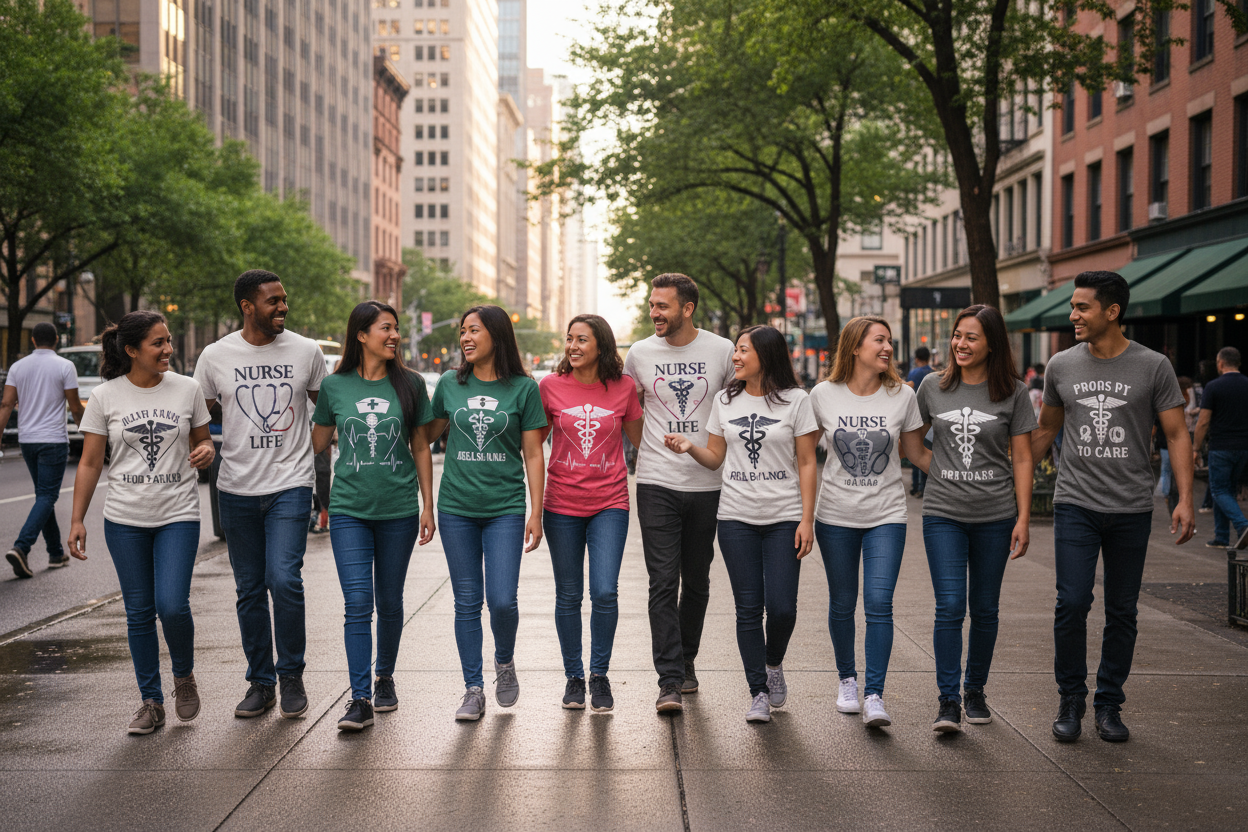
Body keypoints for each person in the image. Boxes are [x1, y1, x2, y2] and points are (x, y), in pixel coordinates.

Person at [1032, 270, 1194, 745]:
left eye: (1082, 307)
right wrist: (1007, 476)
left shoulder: (1153, 366)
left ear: (1112, 311)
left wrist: (1184, 498)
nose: (1073, 315)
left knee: (1122, 609)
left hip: (1130, 507)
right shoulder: (1061, 364)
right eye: (1073, 306)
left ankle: (1109, 704)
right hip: (1076, 503)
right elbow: (1045, 431)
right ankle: (1070, 698)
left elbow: (1177, 433)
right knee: (1073, 602)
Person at [66, 312, 214, 734]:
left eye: (168, 341)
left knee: (172, 605)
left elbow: (202, 441)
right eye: (158, 343)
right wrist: (77, 519)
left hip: (177, 515)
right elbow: (91, 461)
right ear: (131, 350)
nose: (168, 349)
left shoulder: (187, 389)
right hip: (125, 519)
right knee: (138, 613)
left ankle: (183, 677)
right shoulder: (106, 396)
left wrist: (206, 453)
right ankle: (151, 702)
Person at [665, 325, 819, 724]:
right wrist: (690, 447)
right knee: (748, 608)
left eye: (743, 350)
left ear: (766, 355)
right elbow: (716, 457)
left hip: (784, 517)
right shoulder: (724, 400)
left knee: (782, 608)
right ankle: (758, 692)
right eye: (734, 350)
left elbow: (806, 462)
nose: (735, 357)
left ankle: (772, 663)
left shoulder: (796, 401)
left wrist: (807, 518)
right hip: (735, 517)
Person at [194, 269, 327, 721]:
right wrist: (204, 443)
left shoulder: (307, 351)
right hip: (235, 488)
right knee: (249, 589)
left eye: (284, 299)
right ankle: (261, 682)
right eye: (274, 301)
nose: (283, 307)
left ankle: (291, 675)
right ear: (248, 306)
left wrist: (316, 457)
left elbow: (325, 411)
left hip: (290, 485)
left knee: (284, 579)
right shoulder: (215, 355)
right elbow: (198, 414)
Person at [311, 301, 436, 731]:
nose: (395, 335)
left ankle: (385, 676)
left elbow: (421, 446)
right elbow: (317, 443)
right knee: (358, 603)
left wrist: (428, 505)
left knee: (389, 600)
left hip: (398, 509)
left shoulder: (411, 384)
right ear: (361, 335)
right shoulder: (334, 387)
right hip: (349, 509)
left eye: (397, 328)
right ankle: (360, 697)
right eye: (386, 328)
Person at [915, 305, 1036, 733]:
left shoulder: (1013, 393)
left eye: (971, 338)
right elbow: (911, 445)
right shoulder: (932, 386)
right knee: (949, 606)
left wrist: (1023, 517)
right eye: (957, 336)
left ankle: (975, 690)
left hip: (995, 515)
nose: (960, 344)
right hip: (943, 513)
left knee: (984, 609)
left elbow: (1022, 456)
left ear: (992, 344)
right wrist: (944, 471)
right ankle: (947, 701)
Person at [425, 305, 547, 721]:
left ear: (496, 334)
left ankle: (505, 661)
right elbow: (425, 436)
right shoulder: (448, 384)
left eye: (473, 330)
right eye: (461, 331)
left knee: (501, 600)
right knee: (466, 602)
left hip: (505, 509)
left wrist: (537, 511)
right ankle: (473, 688)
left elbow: (533, 452)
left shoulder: (523, 389)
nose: (465, 338)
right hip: (456, 507)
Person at [622, 273, 735, 713]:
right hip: (656, 482)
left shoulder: (722, 351)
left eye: (663, 306)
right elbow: (628, 404)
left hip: (707, 482)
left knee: (699, 580)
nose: (655, 313)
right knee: (662, 581)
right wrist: (642, 447)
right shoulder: (639, 353)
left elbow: (737, 403)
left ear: (687, 308)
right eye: (652, 305)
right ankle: (669, 678)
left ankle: (687, 658)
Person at [810, 316, 928, 729]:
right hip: (835, 515)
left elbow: (916, 452)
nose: (888, 348)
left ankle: (874, 694)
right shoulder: (823, 394)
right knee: (842, 603)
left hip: (887, 515)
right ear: (855, 346)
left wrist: (966, 471)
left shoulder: (903, 395)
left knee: (879, 604)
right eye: (879, 340)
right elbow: (804, 457)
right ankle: (848, 681)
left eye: (890, 341)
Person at [539, 314, 642, 712]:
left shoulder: (623, 388)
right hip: (561, 504)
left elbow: (641, 441)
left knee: (603, 590)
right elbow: (532, 446)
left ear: (601, 344)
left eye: (582, 339)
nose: (573, 346)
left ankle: (599, 674)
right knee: (568, 594)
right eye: (569, 339)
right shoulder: (549, 387)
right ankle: (574, 677)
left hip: (609, 503)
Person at [0, 322, 83, 577]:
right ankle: (22, 547)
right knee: (47, 496)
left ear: (33, 341)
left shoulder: (17, 367)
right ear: (56, 340)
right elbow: (75, 406)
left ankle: (56, 553)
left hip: (28, 440)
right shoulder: (64, 366)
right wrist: (89, 432)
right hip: (54, 440)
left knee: (43, 496)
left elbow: (6, 404)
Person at [1193, 347, 1248, 548]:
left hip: (1221, 446)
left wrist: (1195, 448)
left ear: (1221, 363)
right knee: (1228, 490)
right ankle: (1221, 536)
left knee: (1218, 490)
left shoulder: (1214, 387)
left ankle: (1242, 525)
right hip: (1243, 447)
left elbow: (1203, 421)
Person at [906, 347, 935, 497]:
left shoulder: (914, 373)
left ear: (917, 358)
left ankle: (916, 487)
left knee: (916, 454)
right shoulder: (933, 372)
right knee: (928, 453)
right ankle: (925, 487)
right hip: (933, 421)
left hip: (917, 418)